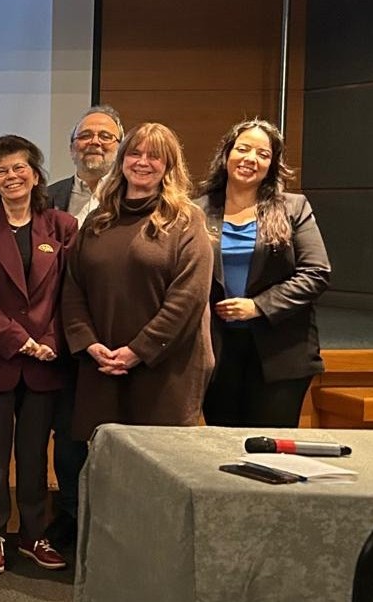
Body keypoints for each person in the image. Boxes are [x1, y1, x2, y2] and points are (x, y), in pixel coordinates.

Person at [0, 135, 76, 575]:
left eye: (19, 167)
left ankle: (33, 535)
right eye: (1, 170)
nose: (11, 176)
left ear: (36, 175)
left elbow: (72, 293)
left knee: (34, 455)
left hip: (46, 359)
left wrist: (52, 340)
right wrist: (17, 339)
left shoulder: (62, 226)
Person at [62, 122, 214, 437]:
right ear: (122, 160)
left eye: (154, 156)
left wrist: (139, 351)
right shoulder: (98, 220)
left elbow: (189, 298)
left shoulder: (186, 221)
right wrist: (88, 343)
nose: (142, 162)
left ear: (169, 165)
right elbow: (73, 288)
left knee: (158, 462)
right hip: (102, 366)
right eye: (135, 153)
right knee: (105, 458)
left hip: (164, 370)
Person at [195, 119, 330, 427]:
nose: (251, 159)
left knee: (269, 448)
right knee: (220, 447)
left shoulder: (293, 207)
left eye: (263, 154)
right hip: (217, 350)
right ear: (226, 154)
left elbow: (316, 272)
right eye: (243, 149)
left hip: (281, 352)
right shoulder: (196, 210)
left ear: (272, 164)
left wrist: (258, 306)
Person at [43, 104, 123, 548]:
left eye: (105, 136)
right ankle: (72, 515)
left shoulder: (137, 196)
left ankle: (114, 522)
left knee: (116, 435)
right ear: (72, 146)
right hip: (61, 337)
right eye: (85, 136)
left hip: (118, 337)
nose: (94, 143)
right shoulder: (48, 196)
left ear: (121, 146)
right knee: (68, 431)